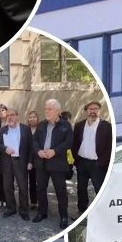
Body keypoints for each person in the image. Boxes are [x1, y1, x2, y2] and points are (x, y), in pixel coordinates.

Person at [33, 98, 73, 229]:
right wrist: (38, 151)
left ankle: (63, 216)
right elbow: (34, 141)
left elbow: (68, 142)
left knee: (60, 190)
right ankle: (42, 212)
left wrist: (55, 151)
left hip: (58, 163)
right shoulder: (41, 125)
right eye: (45, 108)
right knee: (40, 189)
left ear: (57, 111)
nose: (46, 111)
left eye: (49, 109)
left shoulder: (65, 125)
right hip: (42, 162)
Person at [72, 100, 113, 214]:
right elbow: (75, 143)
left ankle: (104, 212)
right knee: (81, 189)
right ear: (86, 111)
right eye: (91, 109)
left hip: (97, 164)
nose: (93, 111)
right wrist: (75, 160)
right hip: (82, 162)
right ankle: (82, 212)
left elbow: (109, 146)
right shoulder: (79, 126)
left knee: (99, 188)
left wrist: (103, 162)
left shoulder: (106, 126)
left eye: (96, 109)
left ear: (99, 111)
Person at [0, 108, 33, 220]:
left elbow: (31, 147)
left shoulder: (25, 129)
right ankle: (11, 209)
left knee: (23, 187)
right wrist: (5, 149)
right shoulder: (3, 130)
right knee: (8, 187)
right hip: (7, 162)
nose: (10, 117)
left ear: (17, 116)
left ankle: (24, 210)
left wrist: (30, 161)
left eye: (12, 115)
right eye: (8, 115)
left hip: (21, 162)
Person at [25, 110, 40, 211]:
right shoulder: (25, 130)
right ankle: (33, 201)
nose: (32, 119)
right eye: (30, 117)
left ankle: (41, 202)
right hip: (28, 160)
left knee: (41, 182)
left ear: (37, 119)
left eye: (34, 117)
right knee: (32, 181)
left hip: (39, 160)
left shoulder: (41, 129)